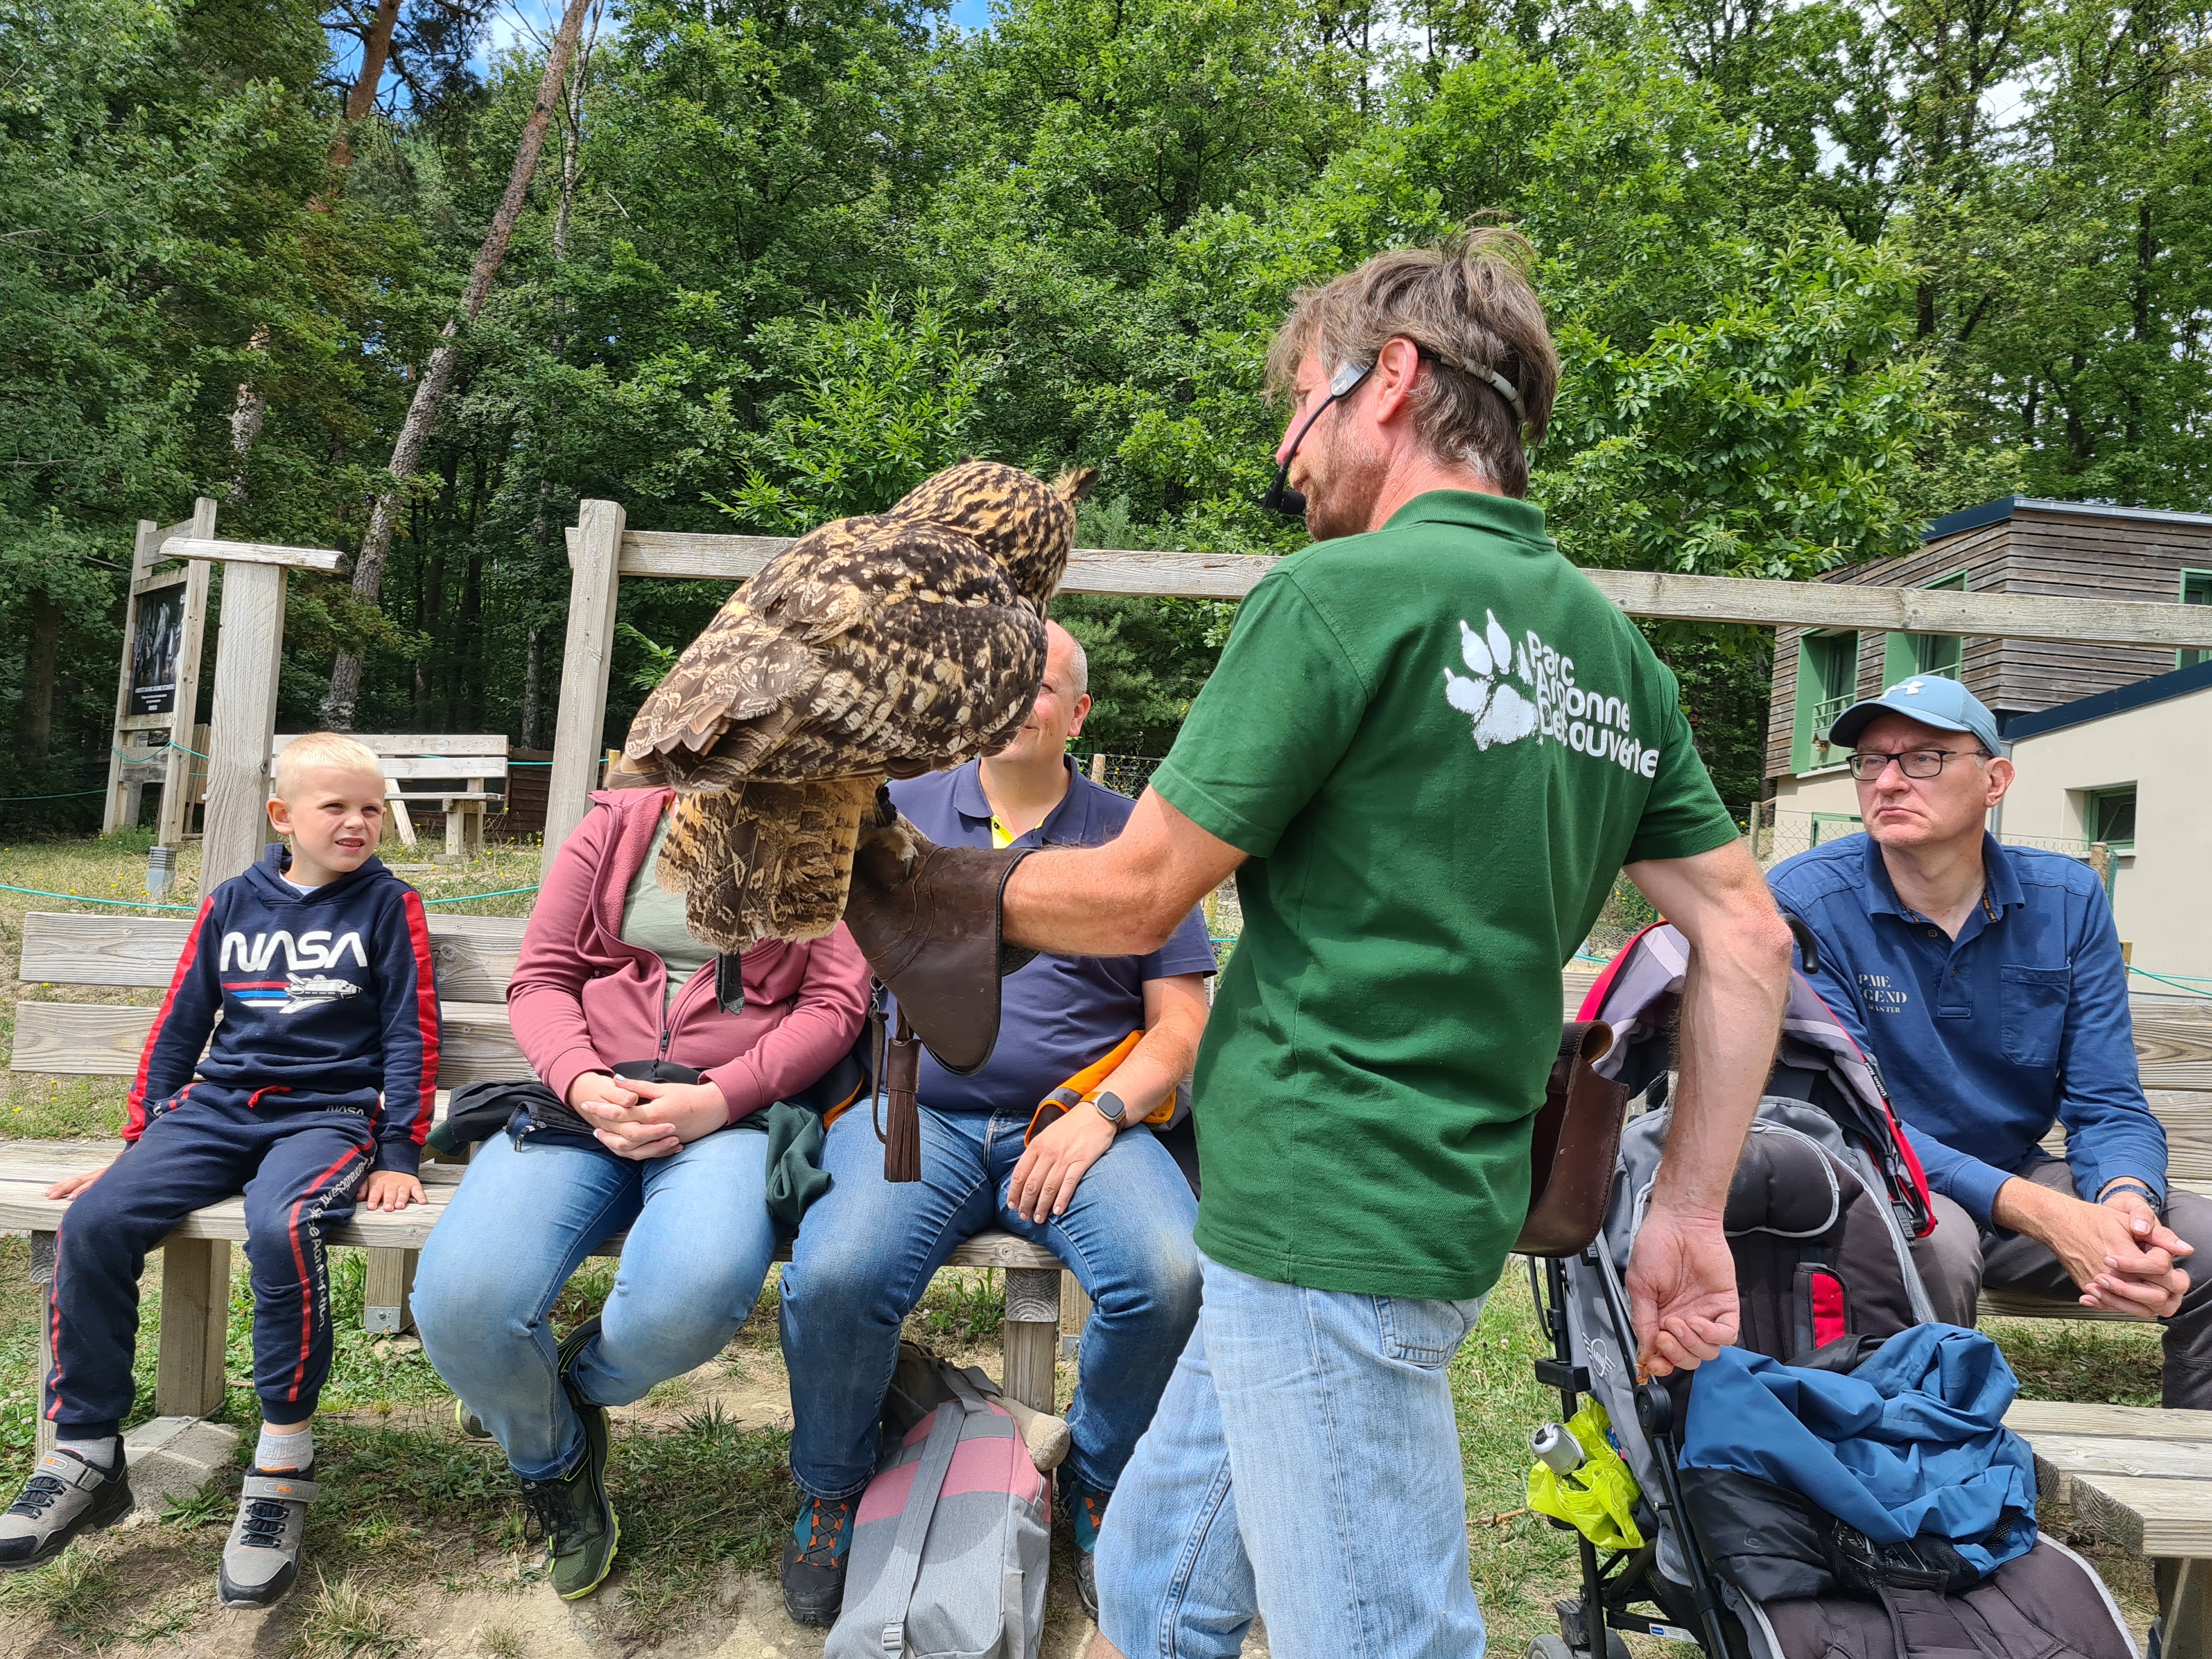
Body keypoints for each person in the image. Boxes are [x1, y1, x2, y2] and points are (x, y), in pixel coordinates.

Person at [848, 233, 1796, 1659]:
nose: (1291, 457)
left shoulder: (1332, 598)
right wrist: (1685, 1216)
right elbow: (1746, 930)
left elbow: (1135, 890)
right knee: (1165, 1578)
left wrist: (895, 882)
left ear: (1391, 382)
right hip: (1430, 1207)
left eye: (1302, 409)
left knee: (1381, 1635)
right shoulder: (1610, 653)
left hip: (1322, 1212)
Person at [776, 620, 1214, 1628]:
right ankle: (833, 1485)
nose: (1016, 702)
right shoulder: (897, 814)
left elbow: (1181, 1022)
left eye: (1042, 687)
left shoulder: (1136, 836)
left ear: (1080, 712)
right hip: (912, 1118)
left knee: (1167, 1273)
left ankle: (1103, 1480)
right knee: (838, 1276)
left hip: (1076, 1125)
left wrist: (1101, 1113)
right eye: (998, 683)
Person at [1, 732, 440, 1606]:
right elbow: (179, 1025)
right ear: (283, 817)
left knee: (282, 1226)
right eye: (336, 807)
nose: (358, 823)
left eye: (371, 807)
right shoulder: (233, 904)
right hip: (216, 1109)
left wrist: (397, 1151)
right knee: (94, 1222)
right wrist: (138, 1146)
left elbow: (409, 1032)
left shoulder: (390, 907)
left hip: (328, 1116)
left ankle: (281, 1462)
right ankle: (84, 1451)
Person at [411, 776, 870, 1601]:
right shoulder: (618, 827)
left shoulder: (823, 834)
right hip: (585, 1101)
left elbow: (836, 1003)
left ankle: (563, 1389)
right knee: (461, 1303)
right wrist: (583, 1081)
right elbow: (542, 979)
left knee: (690, 1300)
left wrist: (721, 1096)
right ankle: (555, 1463)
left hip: (729, 1111)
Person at [1766, 676, 2207, 1404]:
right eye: (1872, 761)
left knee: (2199, 1243)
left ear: (1995, 779)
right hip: (1879, 1188)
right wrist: (2050, 1215)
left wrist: (2126, 1202)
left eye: (1925, 758)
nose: (1889, 780)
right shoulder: (1806, 903)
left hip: (2017, 1183)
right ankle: (1938, 1487)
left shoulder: (2067, 901)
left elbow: (2108, 1100)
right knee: (1935, 1248)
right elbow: (1854, 1122)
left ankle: (2195, 1473)